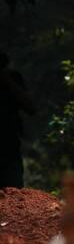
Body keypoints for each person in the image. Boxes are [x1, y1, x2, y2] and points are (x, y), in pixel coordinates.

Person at [0, 52, 35, 189]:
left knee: (13, 192)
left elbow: (31, 108)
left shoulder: (12, 79)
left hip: (9, 147)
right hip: (10, 147)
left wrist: (7, 81)